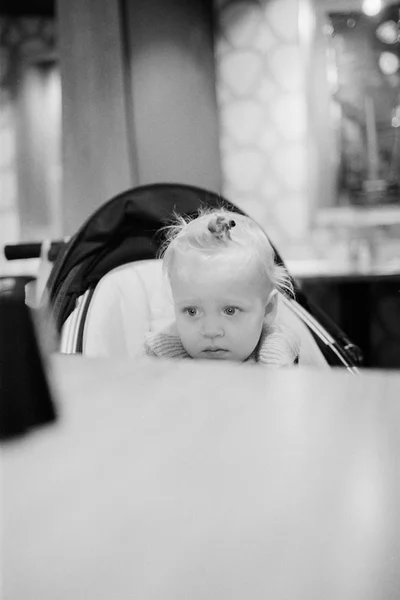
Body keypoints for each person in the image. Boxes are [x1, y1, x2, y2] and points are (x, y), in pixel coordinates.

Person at [144, 208, 300, 366]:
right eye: (192, 311)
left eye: (230, 310)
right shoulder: (159, 355)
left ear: (268, 309)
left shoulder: (275, 354)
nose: (211, 331)